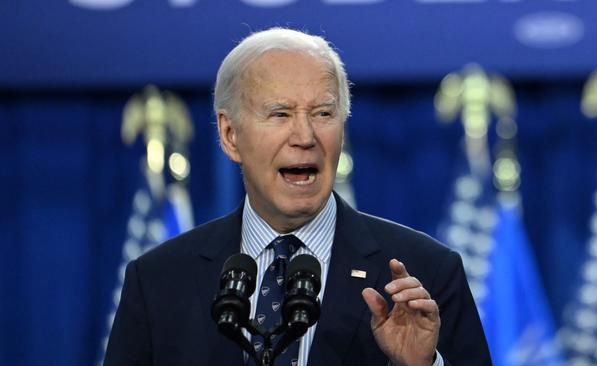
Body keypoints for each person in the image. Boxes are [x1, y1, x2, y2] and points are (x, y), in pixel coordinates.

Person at [105, 28, 491, 366]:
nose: (305, 137)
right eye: (280, 114)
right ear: (230, 135)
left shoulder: (428, 273)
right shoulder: (158, 281)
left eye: (323, 114)